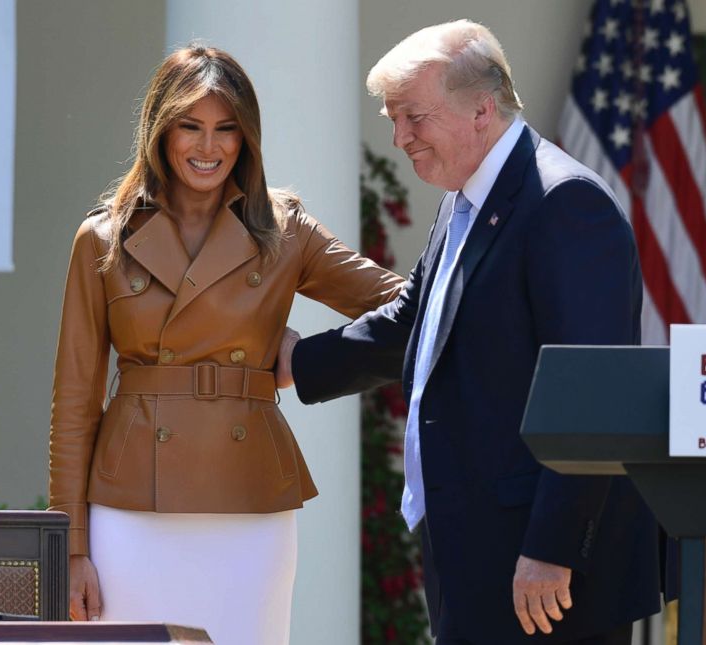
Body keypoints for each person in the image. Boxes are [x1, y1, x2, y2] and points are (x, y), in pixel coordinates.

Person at [278, 20, 662, 645]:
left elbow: (597, 395)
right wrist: (301, 361)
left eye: (414, 118)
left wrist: (552, 547)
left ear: (482, 110)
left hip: (541, 566)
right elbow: (417, 321)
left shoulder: (564, 203)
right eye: (393, 119)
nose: (400, 138)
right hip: (474, 546)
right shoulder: (467, 197)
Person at [48, 44, 403, 644]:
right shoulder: (103, 238)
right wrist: (71, 547)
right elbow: (75, 401)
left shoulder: (285, 230)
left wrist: (310, 359)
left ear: (247, 138)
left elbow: (408, 308)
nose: (208, 148)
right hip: (129, 508)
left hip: (249, 505)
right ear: (160, 130)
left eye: (226, 129)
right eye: (190, 126)